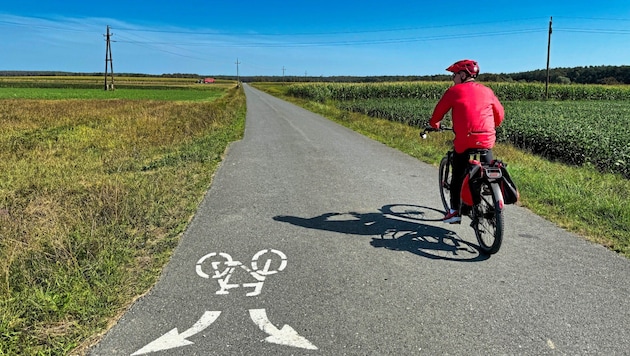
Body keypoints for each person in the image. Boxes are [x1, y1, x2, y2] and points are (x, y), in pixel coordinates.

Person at [429, 59, 505, 224]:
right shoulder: (487, 91)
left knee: (457, 174)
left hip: (465, 139)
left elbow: (438, 113)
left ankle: (455, 211)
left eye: (454, 75)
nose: (453, 78)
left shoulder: (454, 91)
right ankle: (488, 191)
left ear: (463, 75)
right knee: (488, 167)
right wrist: (492, 125)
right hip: (487, 138)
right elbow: (499, 115)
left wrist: (434, 124)